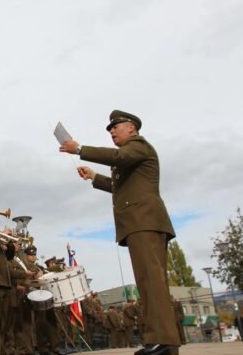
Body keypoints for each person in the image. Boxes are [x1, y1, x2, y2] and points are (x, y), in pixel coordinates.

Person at [60, 110, 180, 355]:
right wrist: (94, 177)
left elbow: (117, 157)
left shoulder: (138, 146)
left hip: (145, 222)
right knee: (148, 284)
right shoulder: (130, 156)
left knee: (152, 283)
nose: (112, 131)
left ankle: (163, 341)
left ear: (132, 128)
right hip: (139, 224)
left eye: (116, 127)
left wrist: (80, 149)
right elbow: (119, 186)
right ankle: (159, 341)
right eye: (110, 129)